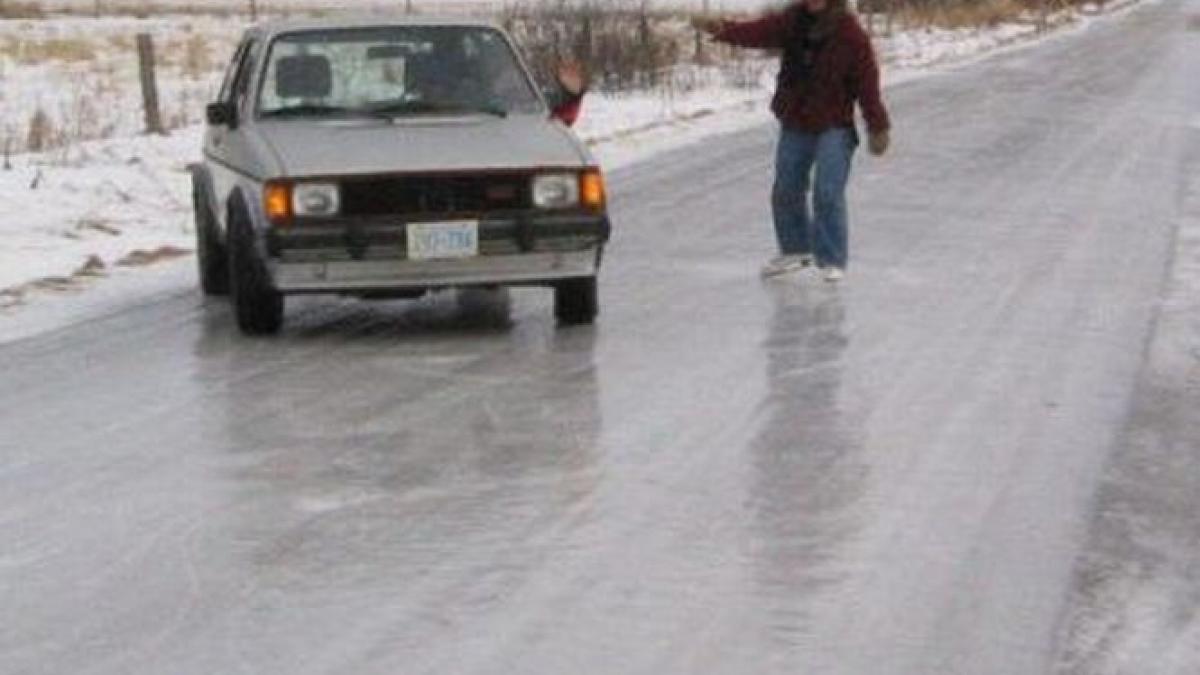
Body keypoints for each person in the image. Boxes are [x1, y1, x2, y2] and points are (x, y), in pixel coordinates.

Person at [698, 0, 891, 282]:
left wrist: (878, 126)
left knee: (827, 191)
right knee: (786, 187)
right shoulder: (792, 21)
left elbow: (867, 84)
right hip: (797, 120)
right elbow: (759, 32)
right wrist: (725, 29)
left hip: (833, 124)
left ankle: (831, 259)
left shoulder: (850, 35)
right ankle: (794, 249)